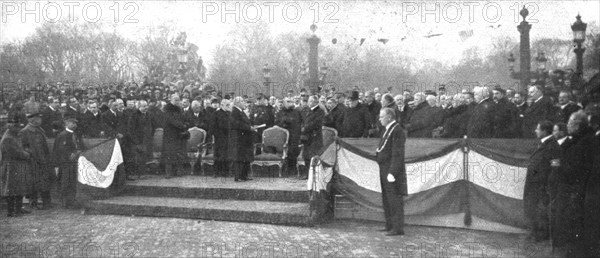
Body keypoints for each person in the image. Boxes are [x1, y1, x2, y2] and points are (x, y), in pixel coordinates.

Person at [551, 111, 595, 256]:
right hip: (576, 190)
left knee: (575, 224)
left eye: (570, 122)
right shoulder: (578, 140)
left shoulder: (583, 143)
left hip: (577, 191)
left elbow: (574, 169)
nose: (567, 125)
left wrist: (559, 166)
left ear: (578, 125)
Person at [523, 120, 559, 241]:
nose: (536, 131)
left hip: (541, 185)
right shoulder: (544, 143)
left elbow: (554, 168)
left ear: (544, 131)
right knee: (534, 208)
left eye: (538, 129)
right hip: (535, 184)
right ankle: (535, 233)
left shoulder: (552, 145)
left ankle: (541, 235)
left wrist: (546, 185)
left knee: (540, 210)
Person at [375, 107, 407, 236]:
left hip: (391, 170)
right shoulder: (387, 130)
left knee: (394, 199)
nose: (380, 119)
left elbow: (397, 154)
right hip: (384, 168)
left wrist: (392, 172)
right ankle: (389, 225)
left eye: (382, 117)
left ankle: (397, 228)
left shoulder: (397, 131)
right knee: (387, 199)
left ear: (389, 117)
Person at [20, 112, 53, 210]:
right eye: (38, 118)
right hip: (33, 161)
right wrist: (31, 155)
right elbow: (23, 147)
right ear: (32, 120)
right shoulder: (25, 131)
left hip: (43, 160)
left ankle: (46, 203)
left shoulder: (39, 129)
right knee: (33, 183)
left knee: (44, 182)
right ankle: (33, 203)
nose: (40, 120)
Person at [1, 116, 32, 217]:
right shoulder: (8, 138)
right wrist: (27, 154)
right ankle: (12, 211)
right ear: (11, 127)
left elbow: (21, 148)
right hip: (12, 166)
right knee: (11, 189)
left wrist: (26, 151)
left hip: (17, 166)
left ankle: (18, 209)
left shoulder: (14, 135)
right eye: (17, 127)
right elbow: (16, 153)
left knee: (19, 188)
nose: (19, 129)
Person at [53, 117, 85, 208]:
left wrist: (78, 151)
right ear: (66, 124)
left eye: (75, 123)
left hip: (74, 162)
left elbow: (80, 146)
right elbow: (61, 149)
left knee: (72, 182)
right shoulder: (63, 135)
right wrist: (71, 154)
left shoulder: (75, 134)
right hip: (66, 163)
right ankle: (65, 202)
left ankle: (72, 200)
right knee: (66, 182)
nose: (74, 125)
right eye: (72, 123)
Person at [162, 94, 189, 178]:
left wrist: (186, 124)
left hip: (178, 135)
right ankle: (168, 172)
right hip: (170, 134)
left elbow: (184, 119)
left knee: (178, 153)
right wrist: (182, 126)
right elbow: (171, 120)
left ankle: (178, 171)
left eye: (178, 100)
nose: (177, 102)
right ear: (171, 100)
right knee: (169, 154)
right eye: (175, 100)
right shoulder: (167, 109)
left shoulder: (180, 109)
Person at [228, 97, 256, 182]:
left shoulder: (241, 111)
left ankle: (244, 176)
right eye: (242, 101)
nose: (244, 103)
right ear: (237, 103)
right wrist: (249, 128)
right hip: (239, 138)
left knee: (245, 157)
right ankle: (238, 177)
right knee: (239, 158)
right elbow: (236, 124)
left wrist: (250, 127)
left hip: (244, 138)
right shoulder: (234, 112)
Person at [276, 97, 303, 176]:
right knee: (283, 152)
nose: (290, 103)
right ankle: (283, 170)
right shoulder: (280, 113)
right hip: (282, 137)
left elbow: (299, 124)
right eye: (288, 101)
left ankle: (292, 170)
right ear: (284, 103)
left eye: (291, 101)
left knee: (292, 153)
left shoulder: (297, 112)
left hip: (294, 135)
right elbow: (278, 124)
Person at [300, 96, 324, 180]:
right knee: (306, 156)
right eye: (308, 101)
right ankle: (307, 174)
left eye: (310, 101)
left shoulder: (320, 111)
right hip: (307, 137)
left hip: (315, 137)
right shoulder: (307, 110)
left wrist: (305, 128)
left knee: (313, 156)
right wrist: (302, 127)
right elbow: (303, 121)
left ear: (315, 102)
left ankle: (314, 174)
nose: (308, 103)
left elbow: (316, 123)